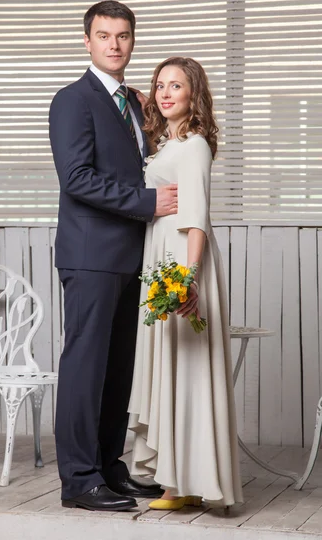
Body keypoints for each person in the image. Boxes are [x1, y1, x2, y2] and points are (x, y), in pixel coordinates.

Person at [49, 0, 178, 512]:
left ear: (132, 40)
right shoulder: (72, 100)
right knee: (85, 368)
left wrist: (150, 119)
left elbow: (141, 163)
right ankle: (79, 480)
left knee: (118, 370)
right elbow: (77, 178)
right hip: (90, 255)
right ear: (87, 40)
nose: (115, 44)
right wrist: (148, 204)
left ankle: (108, 467)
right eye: (104, 35)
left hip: (129, 256)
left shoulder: (131, 103)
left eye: (123, 35)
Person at [128, 56, 243, 510]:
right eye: (160, 85)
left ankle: (184, 484)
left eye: (177, 85)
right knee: (171, 363)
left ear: (194, 93)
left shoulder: (194, 145)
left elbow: (196, 219)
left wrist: (186, 280)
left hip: (181, 259)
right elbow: (147, 100)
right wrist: (136, 93)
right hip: (161, 257)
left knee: (187, 367)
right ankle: (178, 481)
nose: (165, 92)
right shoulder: (167, 143)